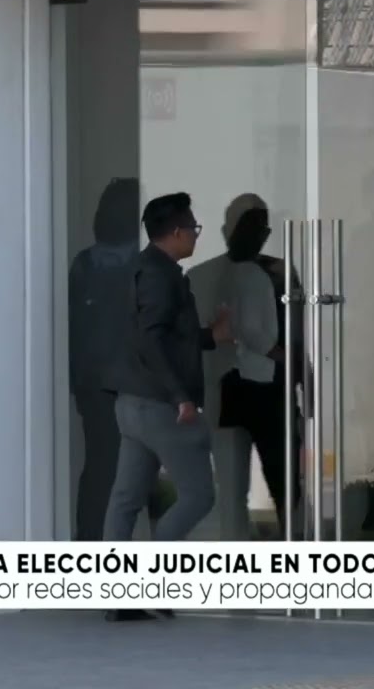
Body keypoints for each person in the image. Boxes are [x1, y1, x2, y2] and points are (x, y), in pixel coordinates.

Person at [102, 191, 230, 622]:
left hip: (133, 403)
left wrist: (210, 336)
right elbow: (151, 339)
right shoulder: (160, 276)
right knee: (199, 495)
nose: (195, 235)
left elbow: (163, 335)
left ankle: (118, 596)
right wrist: (181, 397)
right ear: (176, 232)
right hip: (161, 406)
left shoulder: (141, 270)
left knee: (126, 500)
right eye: (193, 228)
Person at [67, 178, 167, 542]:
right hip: (117, 385)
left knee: (108, 470)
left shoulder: (90, 265)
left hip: (108, 384)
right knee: (119, 470)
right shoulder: (136, 264)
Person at [215, 196, 304, 537]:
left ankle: (288, 539)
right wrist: (282, 357)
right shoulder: (232, 273)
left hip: (266, 385)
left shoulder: (279, 272)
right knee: (241, 481)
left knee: (279, 476)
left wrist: (299, 371)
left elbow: (297, 328)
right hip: (249, 383)